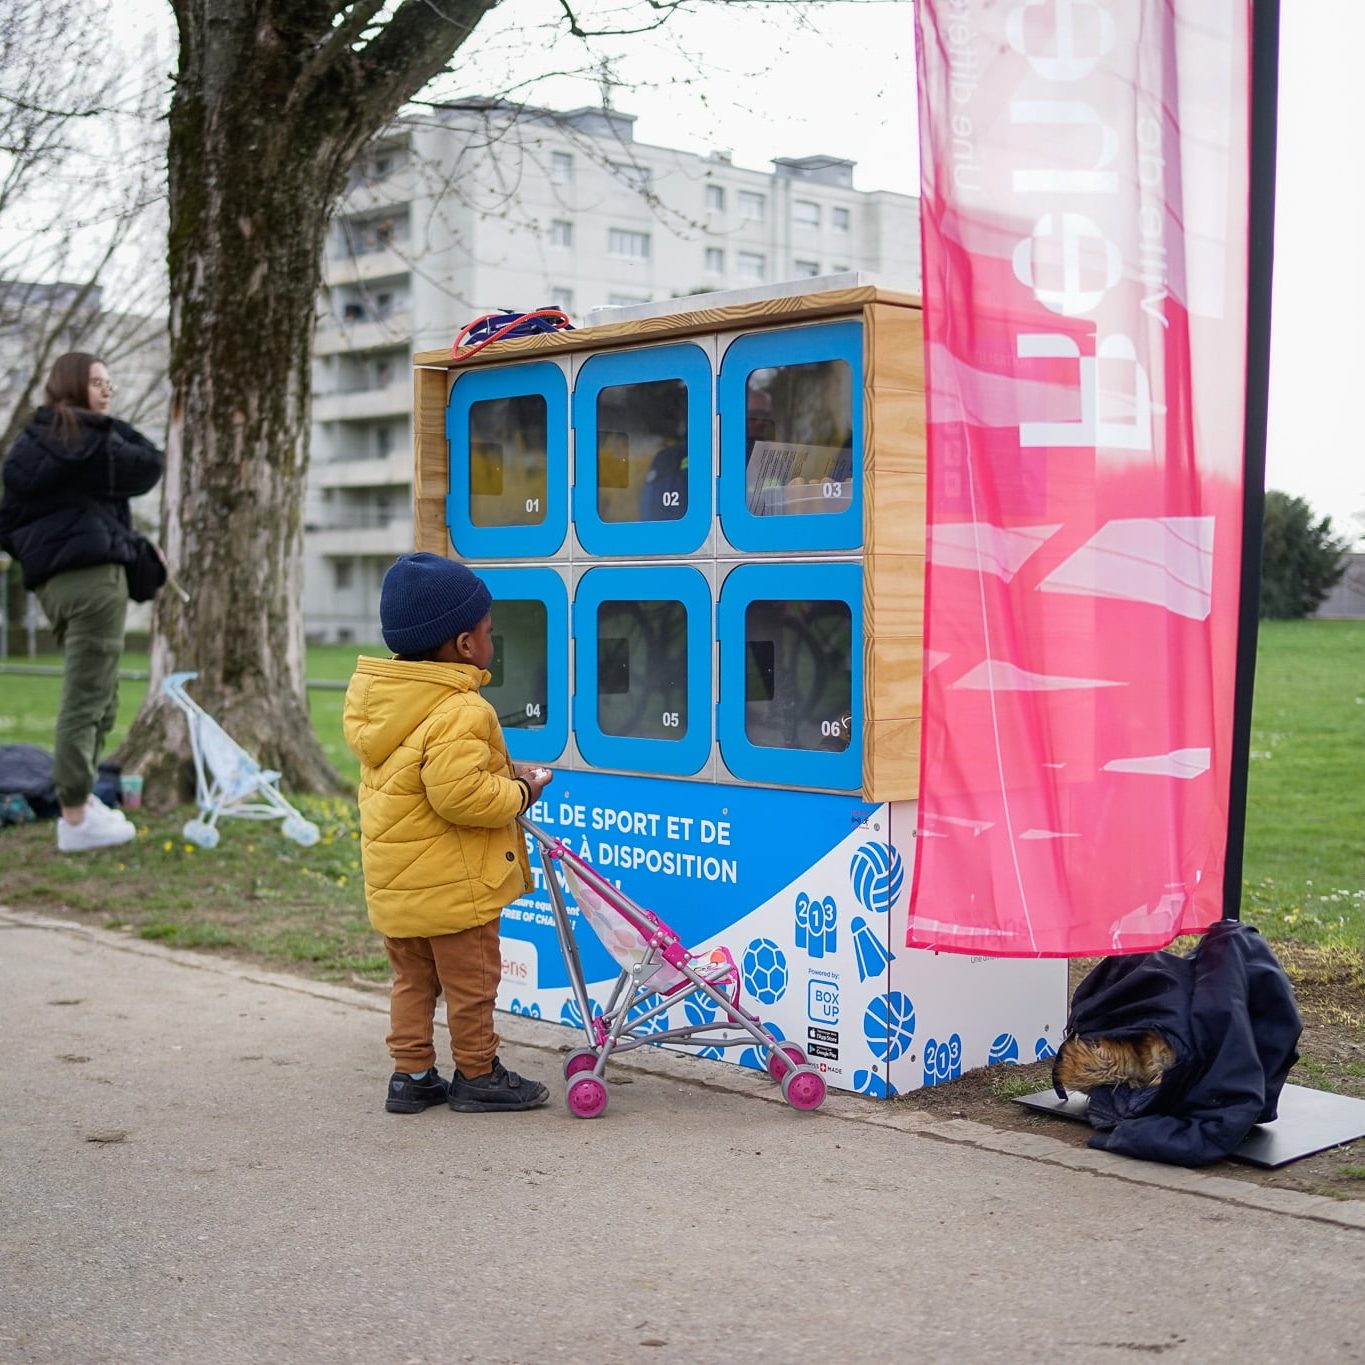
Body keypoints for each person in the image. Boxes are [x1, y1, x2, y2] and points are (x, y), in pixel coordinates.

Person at [343, 552, 554, 1115]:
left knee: (412, 984)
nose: (492, 641)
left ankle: (410, 1076)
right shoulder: (459, 708)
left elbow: (422, 780)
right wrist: (522, 791)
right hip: (456, 893)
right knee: (472, 987)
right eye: (488, 631)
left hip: (398, 889)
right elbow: (460, 796)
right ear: (464, 645)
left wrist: (500, 776)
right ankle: (478, 1073)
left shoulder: (384, 705)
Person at [0, 352, 164, 853]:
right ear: (71, 386)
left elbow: (10, 521)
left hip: (54, 585)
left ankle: (82, 801)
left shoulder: (31, 444)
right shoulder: (92, 443)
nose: (107, 391)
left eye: (110, 382)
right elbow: (150, 463)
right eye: (97, 382)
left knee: (98, 694)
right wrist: (109, 423)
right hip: (95, 582)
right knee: (89, 697)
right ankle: (74, 815)